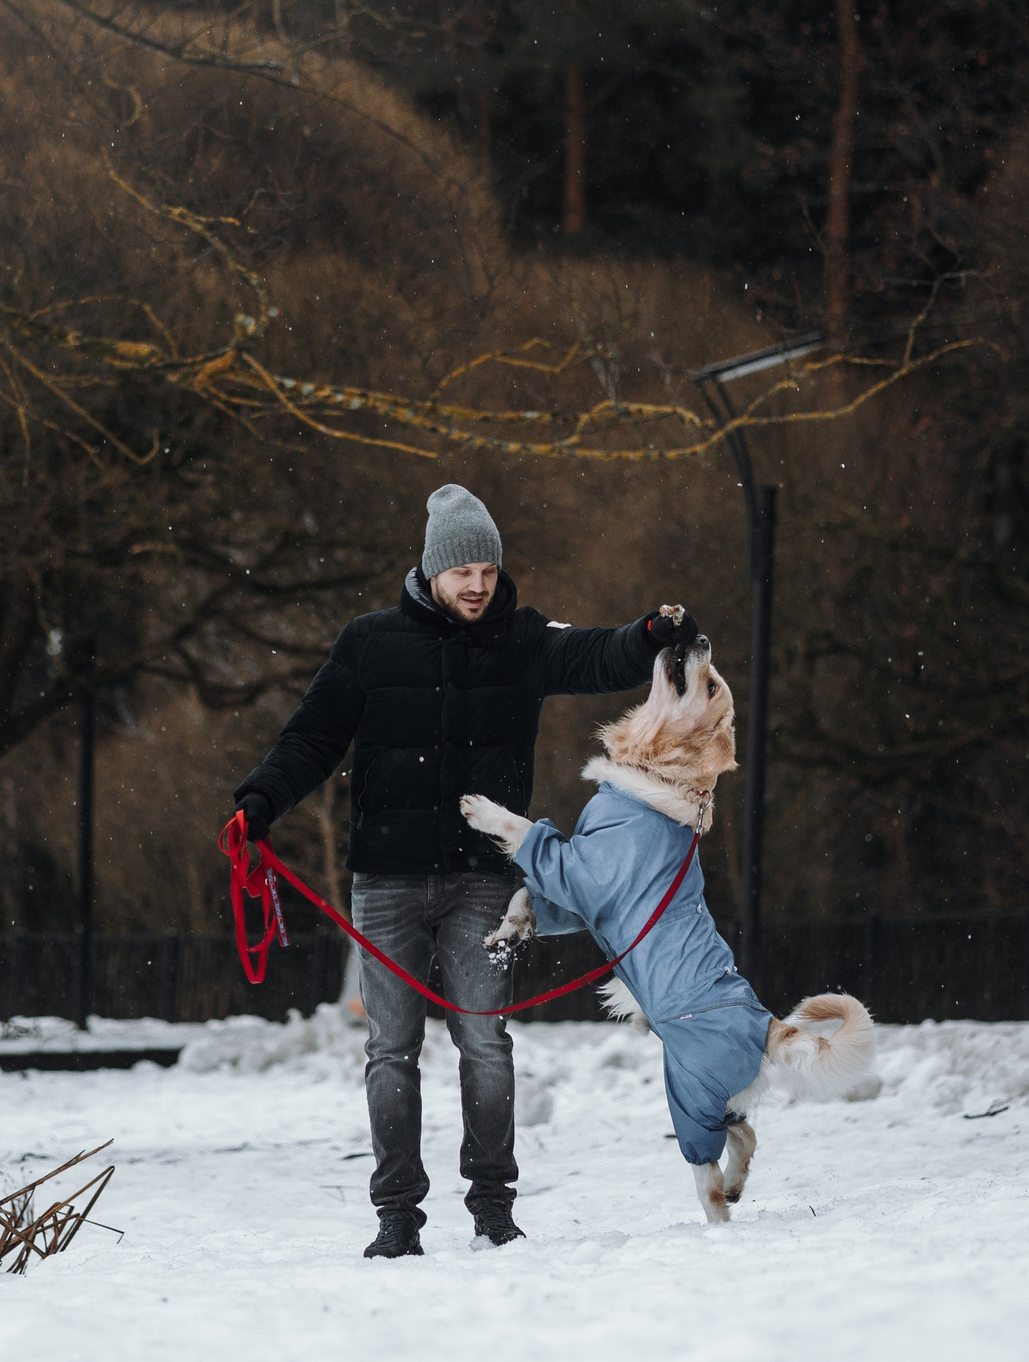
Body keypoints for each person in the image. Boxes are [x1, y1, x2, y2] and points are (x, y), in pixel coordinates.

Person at [232, 483, 700, 1258]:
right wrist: (257, 803)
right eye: (462, 571)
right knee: (391, 1051)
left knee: (485, 1042)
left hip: (482, 880)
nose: (477, 584)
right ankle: (396, 1215)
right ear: (432, 570)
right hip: (384, 881)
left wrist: (652, 632)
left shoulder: (521, 639)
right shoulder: (369, 643)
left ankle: (492, 1205)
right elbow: (312, 737)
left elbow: (595, 654)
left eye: (486, 568)